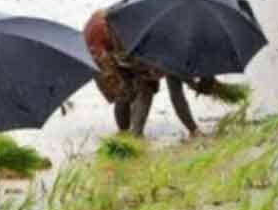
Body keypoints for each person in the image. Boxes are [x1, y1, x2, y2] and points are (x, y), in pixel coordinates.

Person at [84, 8, 220, 138]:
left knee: (137, 88)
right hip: (105, 46)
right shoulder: (167, 46)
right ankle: (130, 135)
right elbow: (176, 95)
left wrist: (193, 129)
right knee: (133, 91)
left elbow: (177, 91)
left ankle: (130, 135)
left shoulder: (177, 42)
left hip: (121, 40)